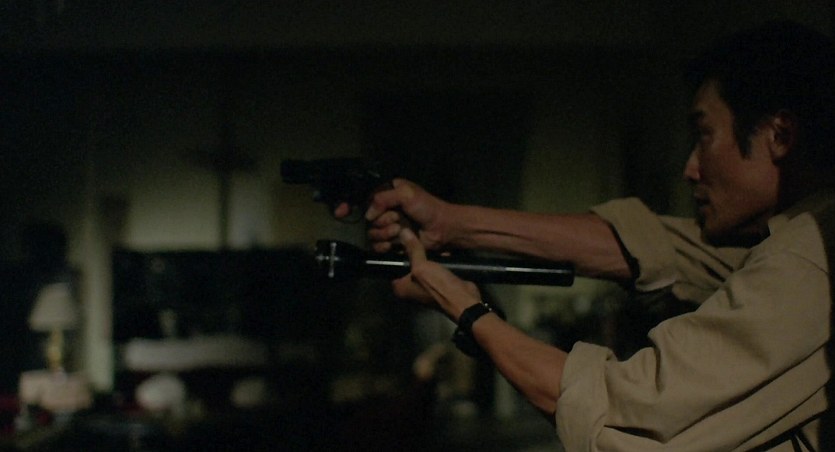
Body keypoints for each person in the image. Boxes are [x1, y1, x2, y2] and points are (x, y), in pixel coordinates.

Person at [345, 21, 835, 450]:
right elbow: (653, 247)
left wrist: (464, 307)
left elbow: (627, 415)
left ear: (779, 136)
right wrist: (449, 221)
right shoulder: (793, 234)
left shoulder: (807, 261)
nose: (690, 168)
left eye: (704, 136)